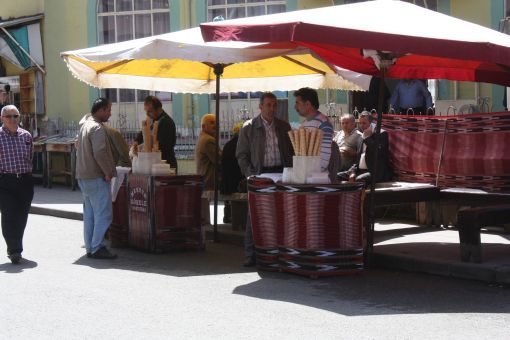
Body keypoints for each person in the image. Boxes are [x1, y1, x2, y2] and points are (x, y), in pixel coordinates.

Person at [237, 92, 293, 266]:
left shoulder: (284, 126)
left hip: (281, 173)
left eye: (274, 105)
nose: (272, 108)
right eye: (268, 105)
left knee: (280, 213)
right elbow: (241, 154)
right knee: (254, 214)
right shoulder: (249, 127)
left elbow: (291, 152)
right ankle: (250, 253)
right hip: (259, 174)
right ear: (260, 107)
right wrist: (249, 174)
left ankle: (278, 252)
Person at [76, 98, 118, 259]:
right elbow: (100, 152)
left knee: (90, 215)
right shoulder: (97, 128)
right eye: (108, 110)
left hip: (84, 176)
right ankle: (97, 247)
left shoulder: (85, 125)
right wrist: (108, 171)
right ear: (101, 110)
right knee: (103, 214)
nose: (110, 113)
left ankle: (90, 247)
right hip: (95, 176)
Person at [0, 105, 34, 264]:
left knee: (21, 216)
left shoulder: (26, 136)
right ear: (2, 119)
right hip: (5, 181)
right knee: (9, 216)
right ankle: (14, 250)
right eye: (9, 117)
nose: (13, 120)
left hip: (25, 181)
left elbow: (30, 157)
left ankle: (16, 245)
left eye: (16, 116)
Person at [337, 111, 392, 185]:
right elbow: (358, 159)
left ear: (371, 122)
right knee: (336, 176)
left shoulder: (381, 133)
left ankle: (358, 196)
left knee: (359, 179)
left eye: (364, 123)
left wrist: (367, 138)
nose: (361, 125)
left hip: (376, 172)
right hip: (360, 170)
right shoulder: (362, 135)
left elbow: (379, 152)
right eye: (360, 123)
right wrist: (352, 171)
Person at [294, 87, 334, 172]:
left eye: (297, 103)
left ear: (308, 104)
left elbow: (325, 157)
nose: (295, 107)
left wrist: (311, 172)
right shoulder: (304, 124)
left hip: (317, 177)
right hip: (306, 173)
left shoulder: (324, 123)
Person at [133, 96, 177, 170]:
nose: (147, 114)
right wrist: (136, 141)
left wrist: (144, 148)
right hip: (155, 164)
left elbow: (162, 146)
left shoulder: (166, 122)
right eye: (146, 111)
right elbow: (143, 133)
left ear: (159, 109)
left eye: (150, 111)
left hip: (166, 165)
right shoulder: (152, 119)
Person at [220, 122, 244, 224]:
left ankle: (228, 217)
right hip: (235, 183)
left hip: (226, 183)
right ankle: (237, 221)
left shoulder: (228, 144)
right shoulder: (241, 145)